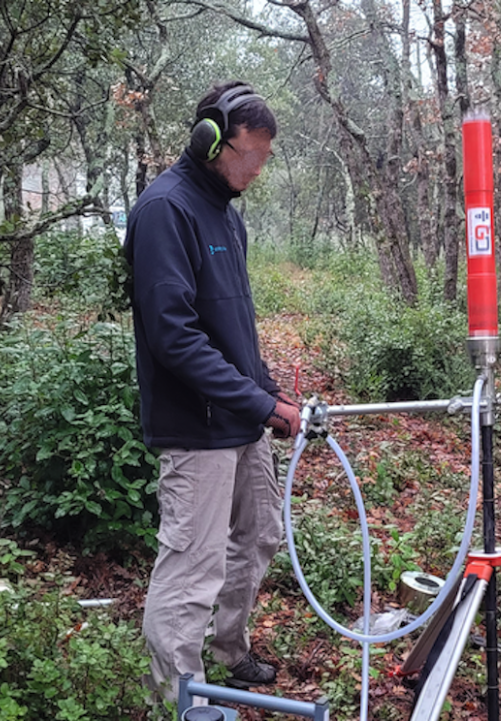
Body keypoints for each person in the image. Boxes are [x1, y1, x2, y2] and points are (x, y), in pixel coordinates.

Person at [123, 80, 302, 696]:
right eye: (252, 151)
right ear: (212, 141)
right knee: (192, 565)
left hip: (238, 420)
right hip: (195, 428)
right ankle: (181, 697)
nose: (260, 164)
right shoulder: (164, 211)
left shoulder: (226, 214)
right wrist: (258, 401)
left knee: (259, 537)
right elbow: (175, 339)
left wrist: (271, 395)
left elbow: (233, 330)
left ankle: (229, 652)